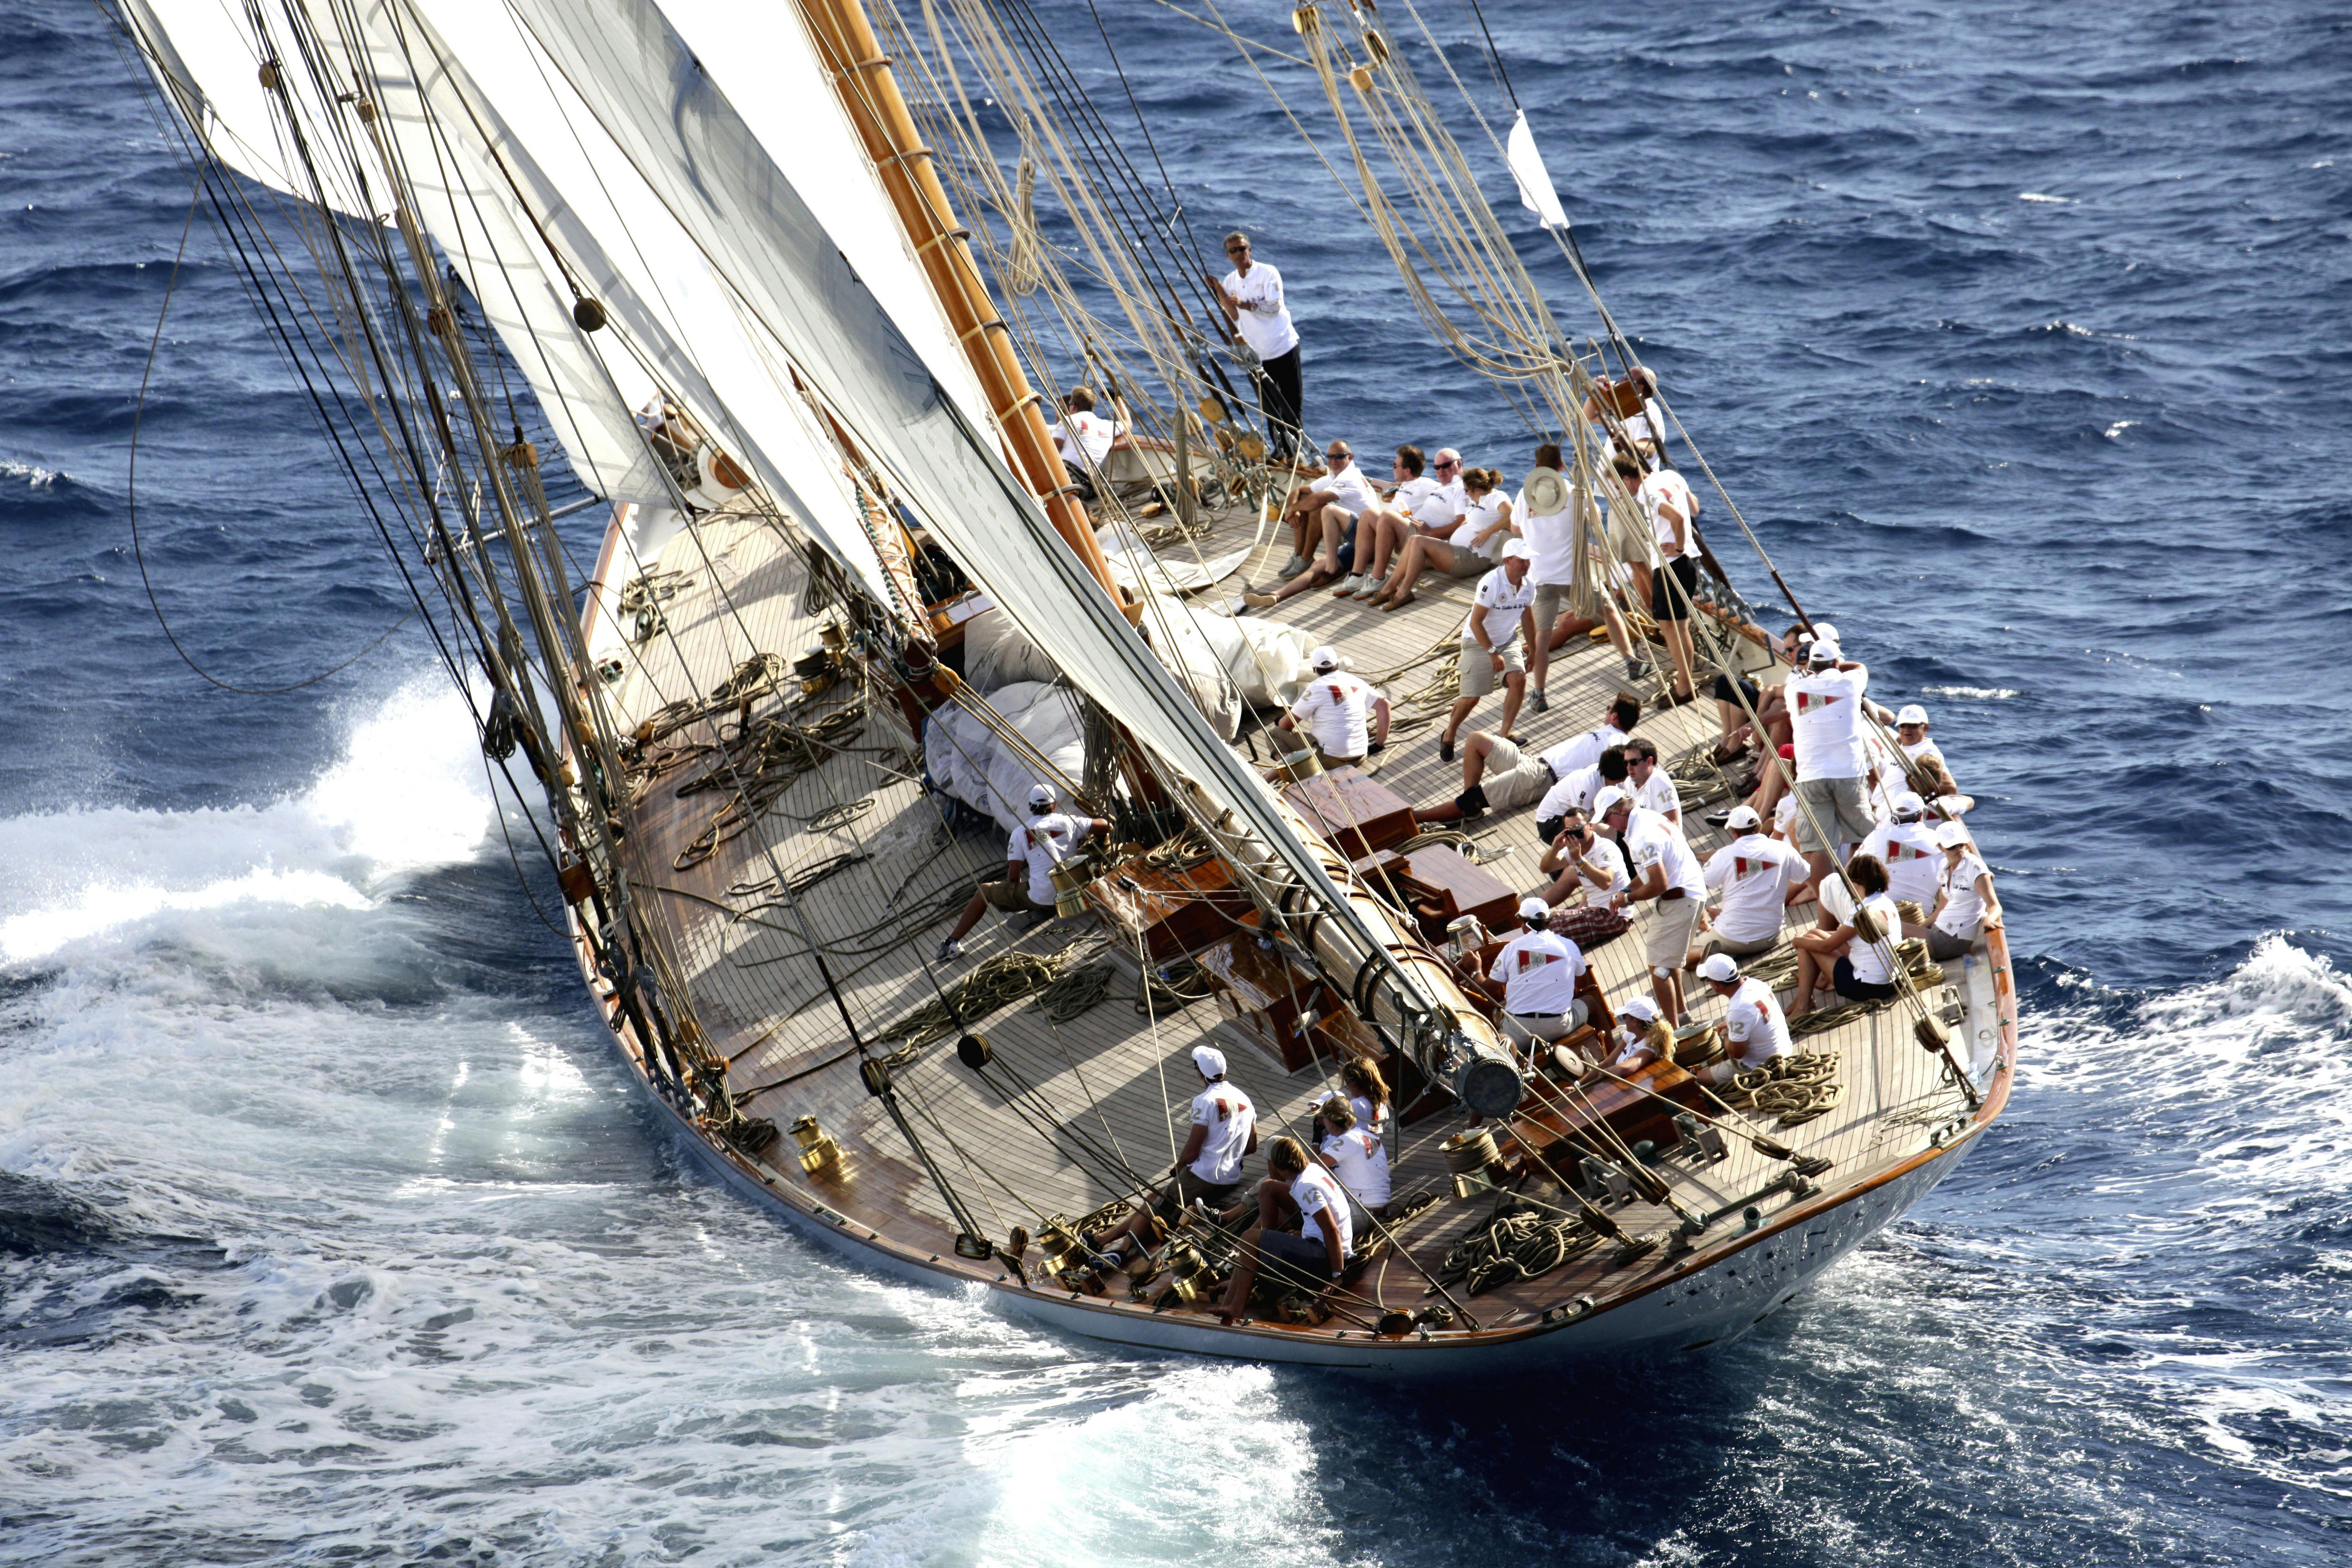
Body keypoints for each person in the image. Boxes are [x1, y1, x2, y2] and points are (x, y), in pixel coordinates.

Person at [1091, 1044, 1257, 1263]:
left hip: (1204, 1177)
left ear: (1200, 1073)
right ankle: (1103, 1238)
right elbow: (1252, 1147)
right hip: (1231, 1177)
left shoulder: (1204, 1102)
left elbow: (1191, 1151)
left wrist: (1178, 1168)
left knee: (1156, 1202)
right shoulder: (1245, 1099)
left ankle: (1120, 1250)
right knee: (1160, 1199)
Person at [937, 785, 1109, 961]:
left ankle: (951, 943)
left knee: (984, 891)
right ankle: (1050, 909)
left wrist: (1015, 890)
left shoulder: (1020, 833)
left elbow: (1013, 877)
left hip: (1044, 897)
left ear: (1030, 806)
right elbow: (1105, 826)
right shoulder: (1068, 822)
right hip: (1075, 893)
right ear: (1055, 805)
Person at [1422, 691, 1642, 821]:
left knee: (1471, 799)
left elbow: (1622, 771)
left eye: (1608, 708)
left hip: (1541, 778)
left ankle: (1417, 817)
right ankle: (1470, 810)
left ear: (1614, 716)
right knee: (1475, 740)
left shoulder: (1619, 743)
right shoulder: (1610, 735)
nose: (1606, 711)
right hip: (1532, 762)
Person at [1597, 784, 1707, 1024]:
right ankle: (1682, 1016)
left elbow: (1658, 885)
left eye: (1607, 819)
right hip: (1692, 892)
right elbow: (1649, 875)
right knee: (1668, 962)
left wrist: (1627, 898)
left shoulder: (1641, 837)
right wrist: (1627, 889)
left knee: (1659, 968)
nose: (1609, 825)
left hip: (1680, 899)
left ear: (1618, 811)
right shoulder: (1648, 817)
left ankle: (1674, 1032)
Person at [1216, 1135, 1352, 1324]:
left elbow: (1331, 1231)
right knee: (1268, 1187)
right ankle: (1232, 1300)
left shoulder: (1305, 1187)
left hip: (1323, 1257)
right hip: (1321, 1246)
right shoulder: (1312, 1169)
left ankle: (1237, 1307)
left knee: (1249, 1238)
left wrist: (1337, 1275)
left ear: (1280, 1167)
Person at [1785, 639, 1877, 903]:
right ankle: (1858, 895)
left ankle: (1829, 902)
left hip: (1811, 776)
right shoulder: (1849, 683)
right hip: (1848, 773)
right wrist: (1836, 665)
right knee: (1863, 838)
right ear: (1837, 663)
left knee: (1818, 846)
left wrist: (1813, 667)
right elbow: (1859, 666)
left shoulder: (1795, 688)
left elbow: (1800, 672)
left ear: (1811, 664)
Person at [1241, 439, 1379, 603]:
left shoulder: (1350, 478)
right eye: (1330, 457)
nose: (1333, 461)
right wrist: (1293, 509)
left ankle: (1321, 564)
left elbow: (1316, 501)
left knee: (1322, 508)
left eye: (1339, 457)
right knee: (1317, 565)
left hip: (1371, 543)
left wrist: (1292, 510)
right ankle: (1278, 594)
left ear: (1350, 457)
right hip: (1355, 544)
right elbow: (1299, 491)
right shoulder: (1334, 477)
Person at [1436, 539, 1536, 759]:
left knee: (1518, 679)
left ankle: (1504, 736)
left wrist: (1534, 650)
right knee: (1471, 698)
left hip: (1507, 641)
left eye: (1528, 560)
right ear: (1508, 561)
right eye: (1521, 561)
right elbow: (1475, 622)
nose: (1526, 565)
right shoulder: (1491, 583)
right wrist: (1492, 652)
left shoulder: (1529, 586)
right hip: (1477, 642)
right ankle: (1450, 733)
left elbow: (1527, 617)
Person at [1369, 465, 1515, 610]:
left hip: (1472, 557)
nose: (1466, 493)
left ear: (1476, 489)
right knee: (1414, 540)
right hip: (1456, 551)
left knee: (1418, 541)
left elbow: (1512, 516)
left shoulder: (1496, 497)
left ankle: (1404, 592)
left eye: (1466, 490)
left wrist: (1488, 532)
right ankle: (1389, 589)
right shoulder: (1476, 500)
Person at [1211, 231, 1301, 462]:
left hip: (1284, 348)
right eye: (1234, 251)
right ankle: (1280, 451)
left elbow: (1273, 308)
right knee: (1270, 410)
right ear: (1228, 256)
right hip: (1257, 357)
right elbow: (1233, 315)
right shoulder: (1231, 281)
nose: (1239, 254)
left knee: (1291, 405)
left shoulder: (1268, 273)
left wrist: (1245, 304)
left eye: (1242, 249)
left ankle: (1294, 453)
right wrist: (1221, 292)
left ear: (1250, 250)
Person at [1791, 853, 1902, 1016]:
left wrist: (1797, 941)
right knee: (1814, 934)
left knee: (1807, 945)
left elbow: (1827, 946)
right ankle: (1808, 995)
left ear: (1855, 882)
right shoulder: (1885, 902)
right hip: (1893, 981)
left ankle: (1802, 1006)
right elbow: (1840, 936)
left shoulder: (1861, 912)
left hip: (1868, 987)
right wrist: (1811, 936)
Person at [1480, 898, 1590, 1059]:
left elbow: (1486, 989)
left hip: (1520, 1032)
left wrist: (1476, 970)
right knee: (1591, 1002)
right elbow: (1582, 977)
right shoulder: (1568, 945)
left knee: (1500, 1040)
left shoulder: (1511, 949)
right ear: (1548, 921)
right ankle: (1606, 1053)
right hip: (1560, 1026)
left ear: (1524, 924)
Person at [1344, 444, 1457, 597]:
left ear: (1407, 470)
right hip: (1398, 533)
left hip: (1414, 538)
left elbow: (1448, 493)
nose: (1392, 469)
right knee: (1367, 514)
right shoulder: (1404, 485)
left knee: (1387, 516)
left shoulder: (1425, 484)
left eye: (1395, 466)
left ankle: (1378, 577)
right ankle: (1357, 575)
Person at [1694, 804, 1803, 962]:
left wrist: (1703, 924)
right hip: (1771, 937)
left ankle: (1712, 952)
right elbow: (1807, 876)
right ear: (1759, 826)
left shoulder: (1723, 856)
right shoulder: (1784, 849)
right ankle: (1723, 931)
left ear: (1733, 831)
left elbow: (1695, 890)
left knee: (1681, 954)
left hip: (1732, 938)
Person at [1516, 443, 1579, 715]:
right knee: (1610, 611)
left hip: (1539, 576)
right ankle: (1631, 662)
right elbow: (1591, 521)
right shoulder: (1574, 494)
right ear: (1562, 468)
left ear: (1536, 468)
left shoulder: (1524, 496)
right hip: (1571, 575)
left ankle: (1539, 694)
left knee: (1541, 640)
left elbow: (1514, 529)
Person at [1638, 461, 1702, 705]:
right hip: (1690, 561)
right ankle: (1685, 682)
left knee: (1672, 627)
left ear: (1626, 479)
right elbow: (1693, 509)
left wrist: (1677, 547)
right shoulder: (1672, 476)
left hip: (1672, 564)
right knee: (1677, 626)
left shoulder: (1647, 491)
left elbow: (1676, 517)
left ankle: (1685, 687)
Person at [1529, 809, 1632, 949]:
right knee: (1540, 920)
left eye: (1579, 828)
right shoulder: (1574, 850)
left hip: (1615, 916)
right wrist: (1554, 848)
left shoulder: (1605, 849)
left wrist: (1579, 860)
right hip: (1593, 911)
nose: (1575, 833)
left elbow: (1606, 882)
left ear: (1590, 826)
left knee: (1547, 933)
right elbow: (1546, 868)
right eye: (1569, 830)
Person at [1279, 646, 1390, 767]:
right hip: (1360, 755)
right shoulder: (1355, 680)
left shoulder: (1316, 687)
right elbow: (1384, 705)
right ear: (1337, 665)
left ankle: (1300, 768)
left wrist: (1280, 721)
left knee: (1276, 733)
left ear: (1315, 669)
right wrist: (1378, 745)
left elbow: (1286, 725)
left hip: (1331, 758)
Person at [1694, 952, 1793, 1084]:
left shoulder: (1738, 1008)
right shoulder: (1755, 984)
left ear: (1716, 985)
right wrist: (1731, 1026)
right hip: (1785, 1050)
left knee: (1696, 1079)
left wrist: (1726, 1036)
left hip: (1763, 1065)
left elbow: (1737, 1053)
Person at [1918, 820, 2003, 961]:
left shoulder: (1976, 868)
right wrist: (1921, 927)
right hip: (1939, 930)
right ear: (1941, 848)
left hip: (1955, 940)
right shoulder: (1943, 865)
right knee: (1897, 930)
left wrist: (1989, 919)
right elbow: (1942, 908)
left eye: (1962, 844)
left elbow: (1995, 906)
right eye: (1952, 846)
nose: (1959, 849)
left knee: (1895, 928)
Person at [1861, 792, 1944, 913]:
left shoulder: (1876, 837)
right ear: (1922, 815)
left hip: (1882, 915)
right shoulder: (1940, 839)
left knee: (1830, 882)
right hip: (1923, 914)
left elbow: (1851, 871)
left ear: (1894, 817)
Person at [1043, 384, 1126, 502]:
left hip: (1066, 479)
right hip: (1087, 487)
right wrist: (1116, 399)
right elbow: (1127, 423)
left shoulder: (1068, 421)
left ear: (1073, 406)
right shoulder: (1106, 426)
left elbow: (1052, 451)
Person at [1534, 745, 1629, 844]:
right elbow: (1581, 822)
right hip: (1553, 824)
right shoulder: (1587, 785)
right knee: (1611, 837)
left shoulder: (1614, 776)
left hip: (1584, 814)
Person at [1313, 1096, 1392, 1214]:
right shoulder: (1369, 1136)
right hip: (1381, 1209)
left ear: (1329, 1121)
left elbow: (1312, 1169)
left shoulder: (1346, 1141)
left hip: (1363, 1212)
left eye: (1323, 1118)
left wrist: (1316, 1141)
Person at [1622, 736, 1681, 827]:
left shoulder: (1659, 781)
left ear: (1649, 761)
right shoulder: (1629, 782)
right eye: (1626, 763)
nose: (1629, 767)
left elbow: (1672, 824)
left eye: (1634, 762)